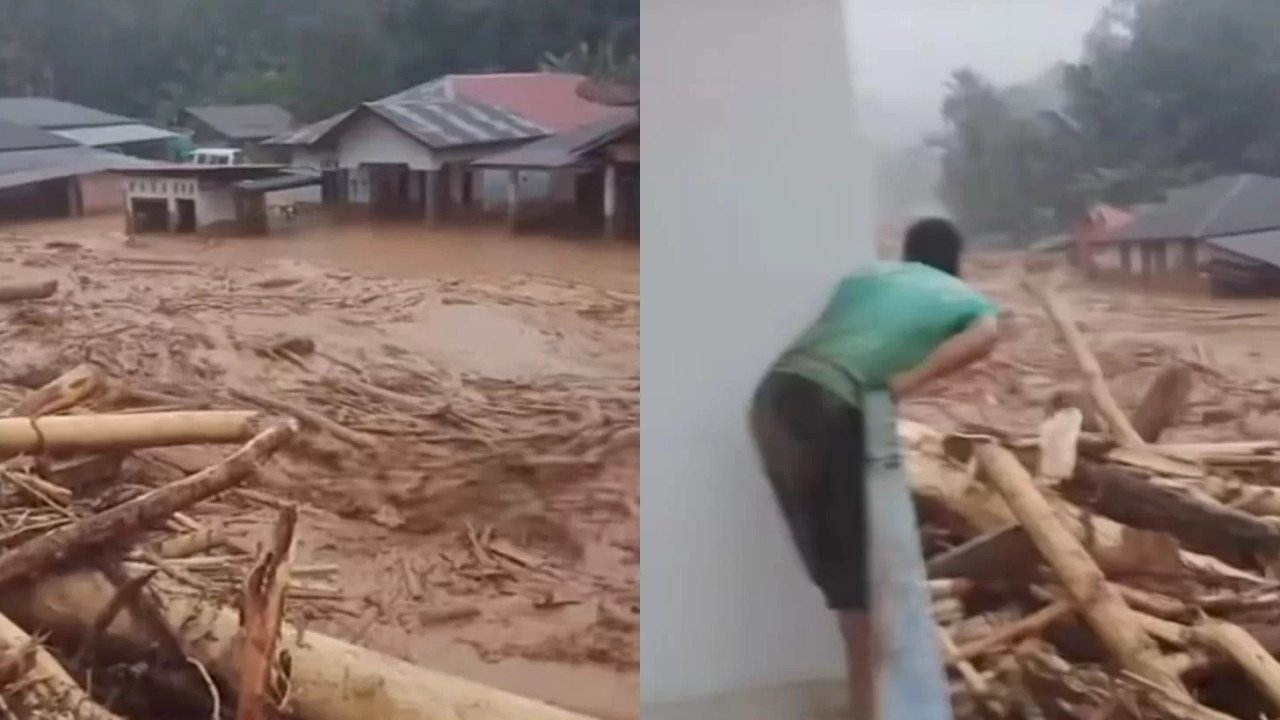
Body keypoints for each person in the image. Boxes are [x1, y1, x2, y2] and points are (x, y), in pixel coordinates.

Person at [748, 217, 1000, 719]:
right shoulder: (963, 297)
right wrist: (905, 383)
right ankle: (871, 711)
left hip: (771, 399)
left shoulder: (866, 277)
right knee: (861, 580)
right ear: (955, 259)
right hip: (831, 405)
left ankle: (870, 699)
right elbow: (986, 335)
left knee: (838, 571)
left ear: (907, 253)